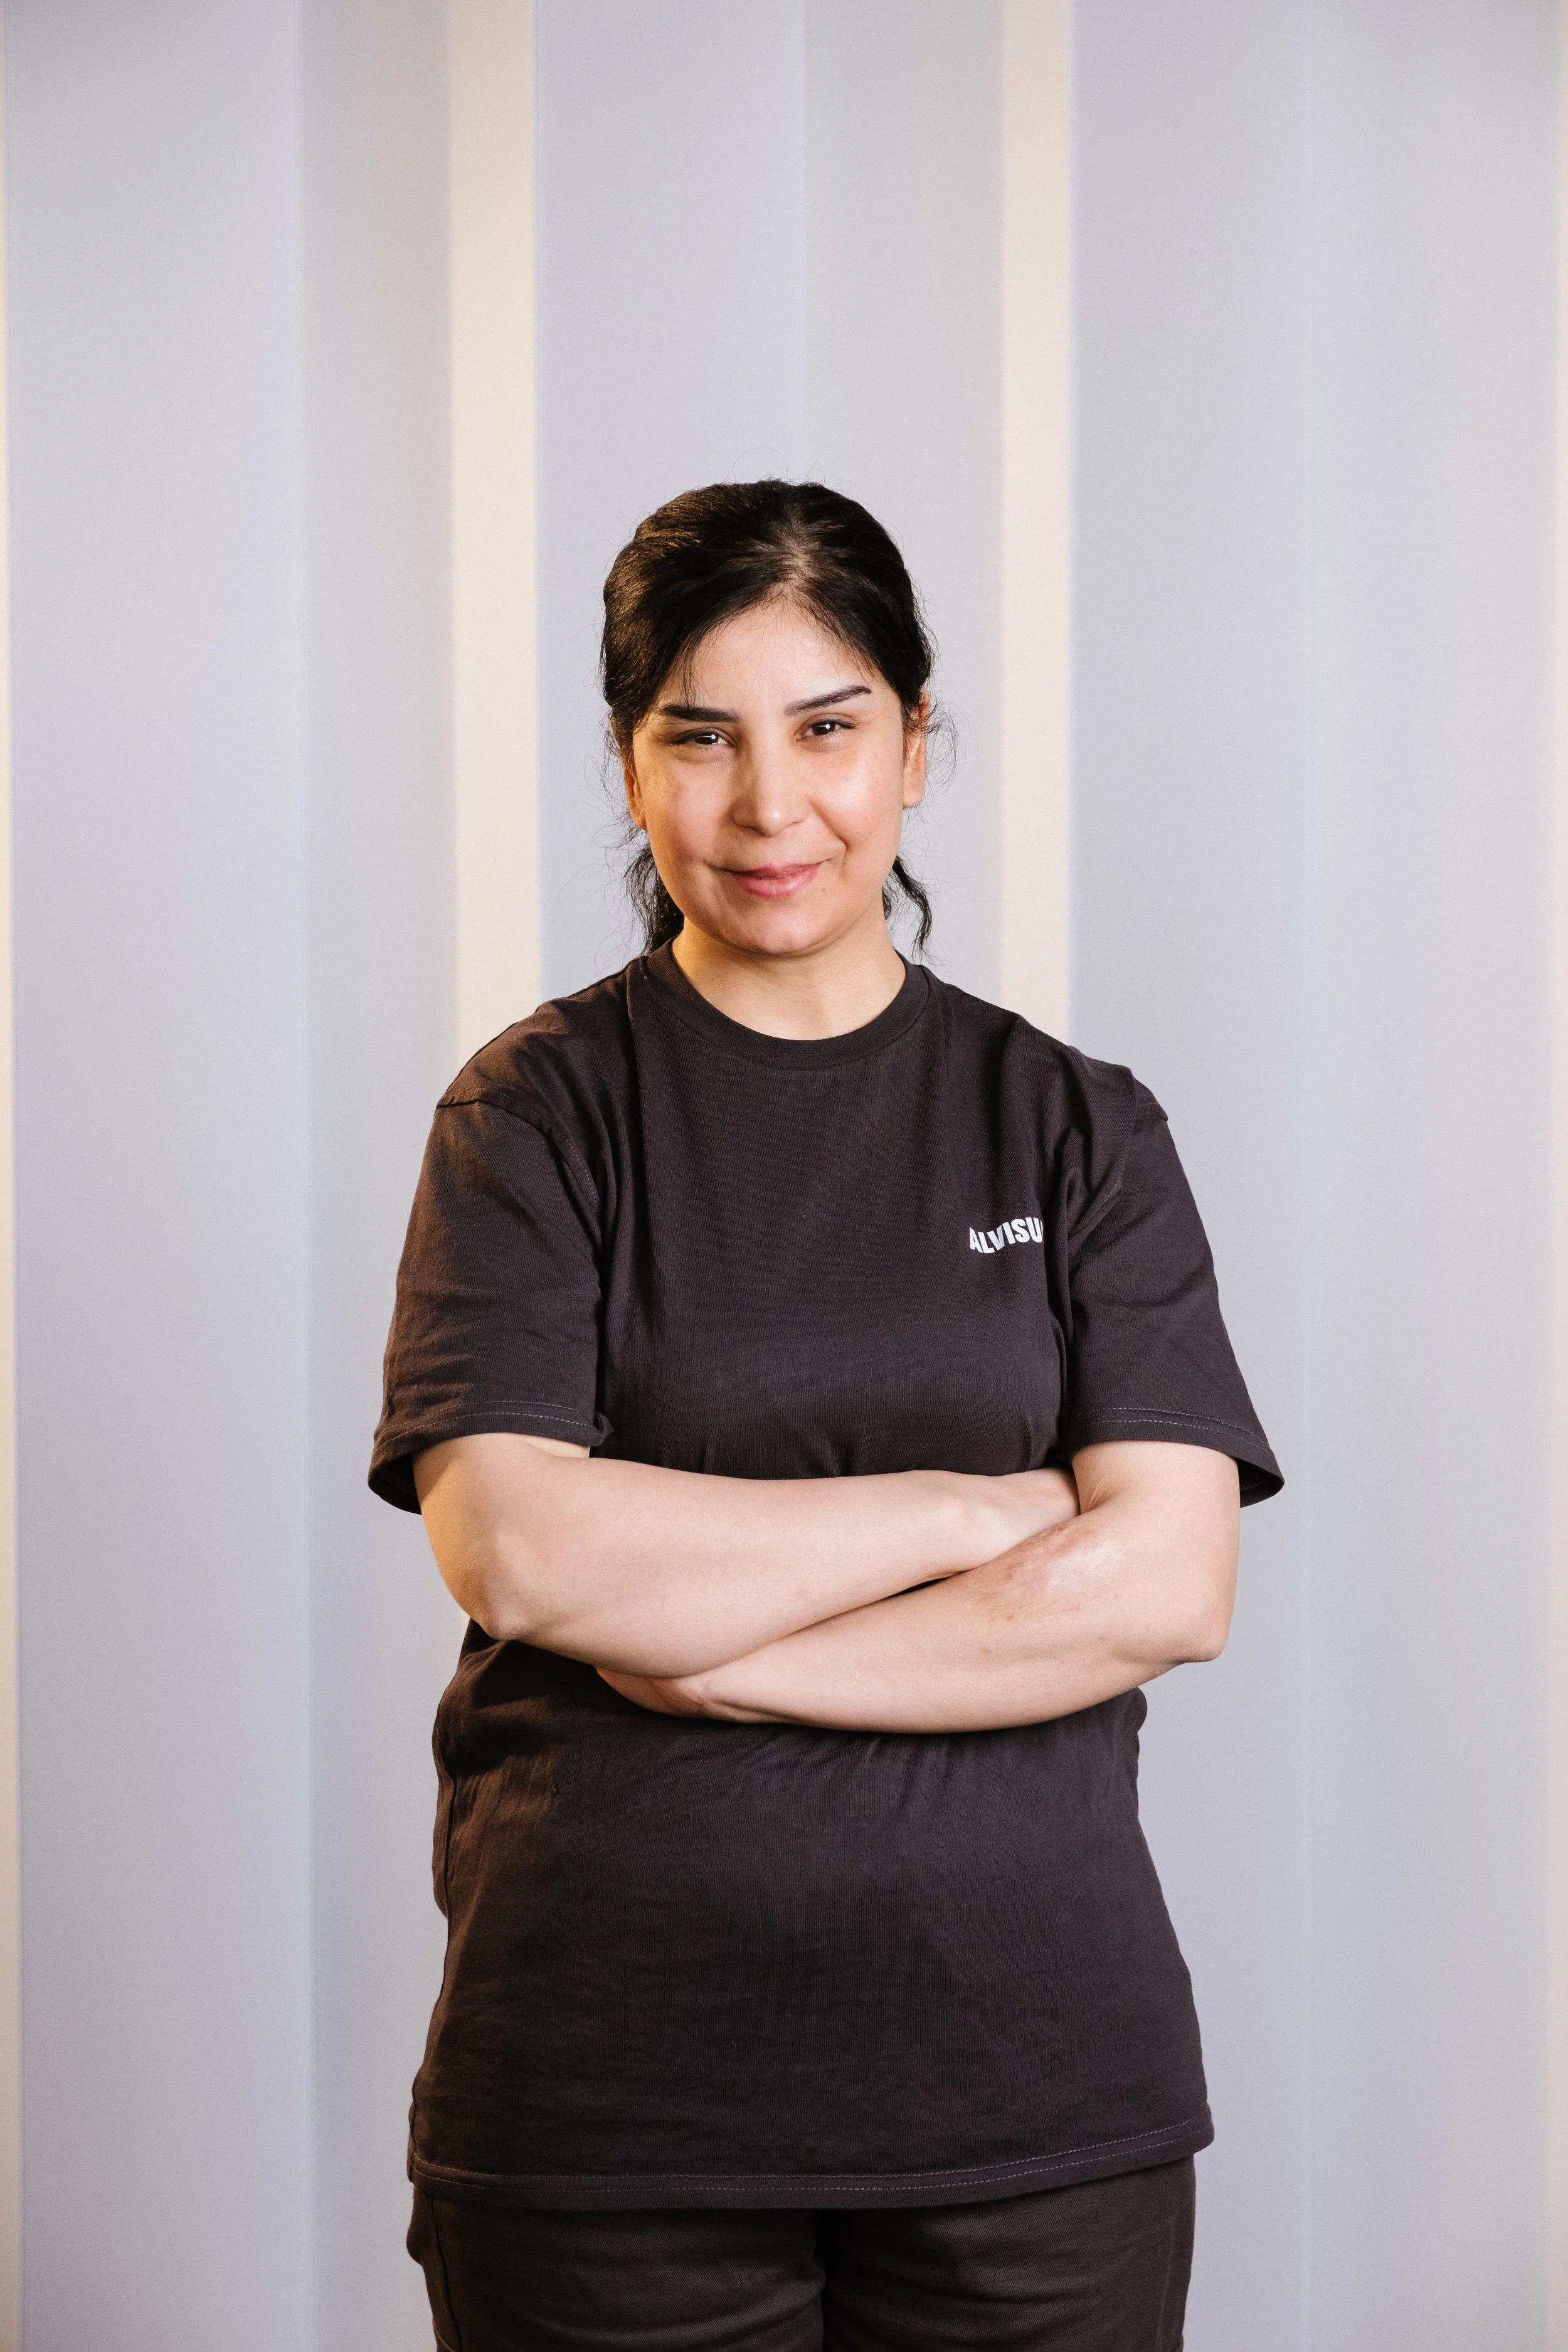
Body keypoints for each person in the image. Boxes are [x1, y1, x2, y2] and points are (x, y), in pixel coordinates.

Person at [370, 479, 1281, 2351]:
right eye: (697, 735)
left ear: (917, 747)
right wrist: (970, 1515)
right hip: (613, 2108)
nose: (769, 804)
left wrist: (721, 1656)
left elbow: (1166, 1586)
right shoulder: (535, 1115)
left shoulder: (1075, 1126)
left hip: (1030, 2101)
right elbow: (524, 1544)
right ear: (629, 765)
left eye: (829, 728)